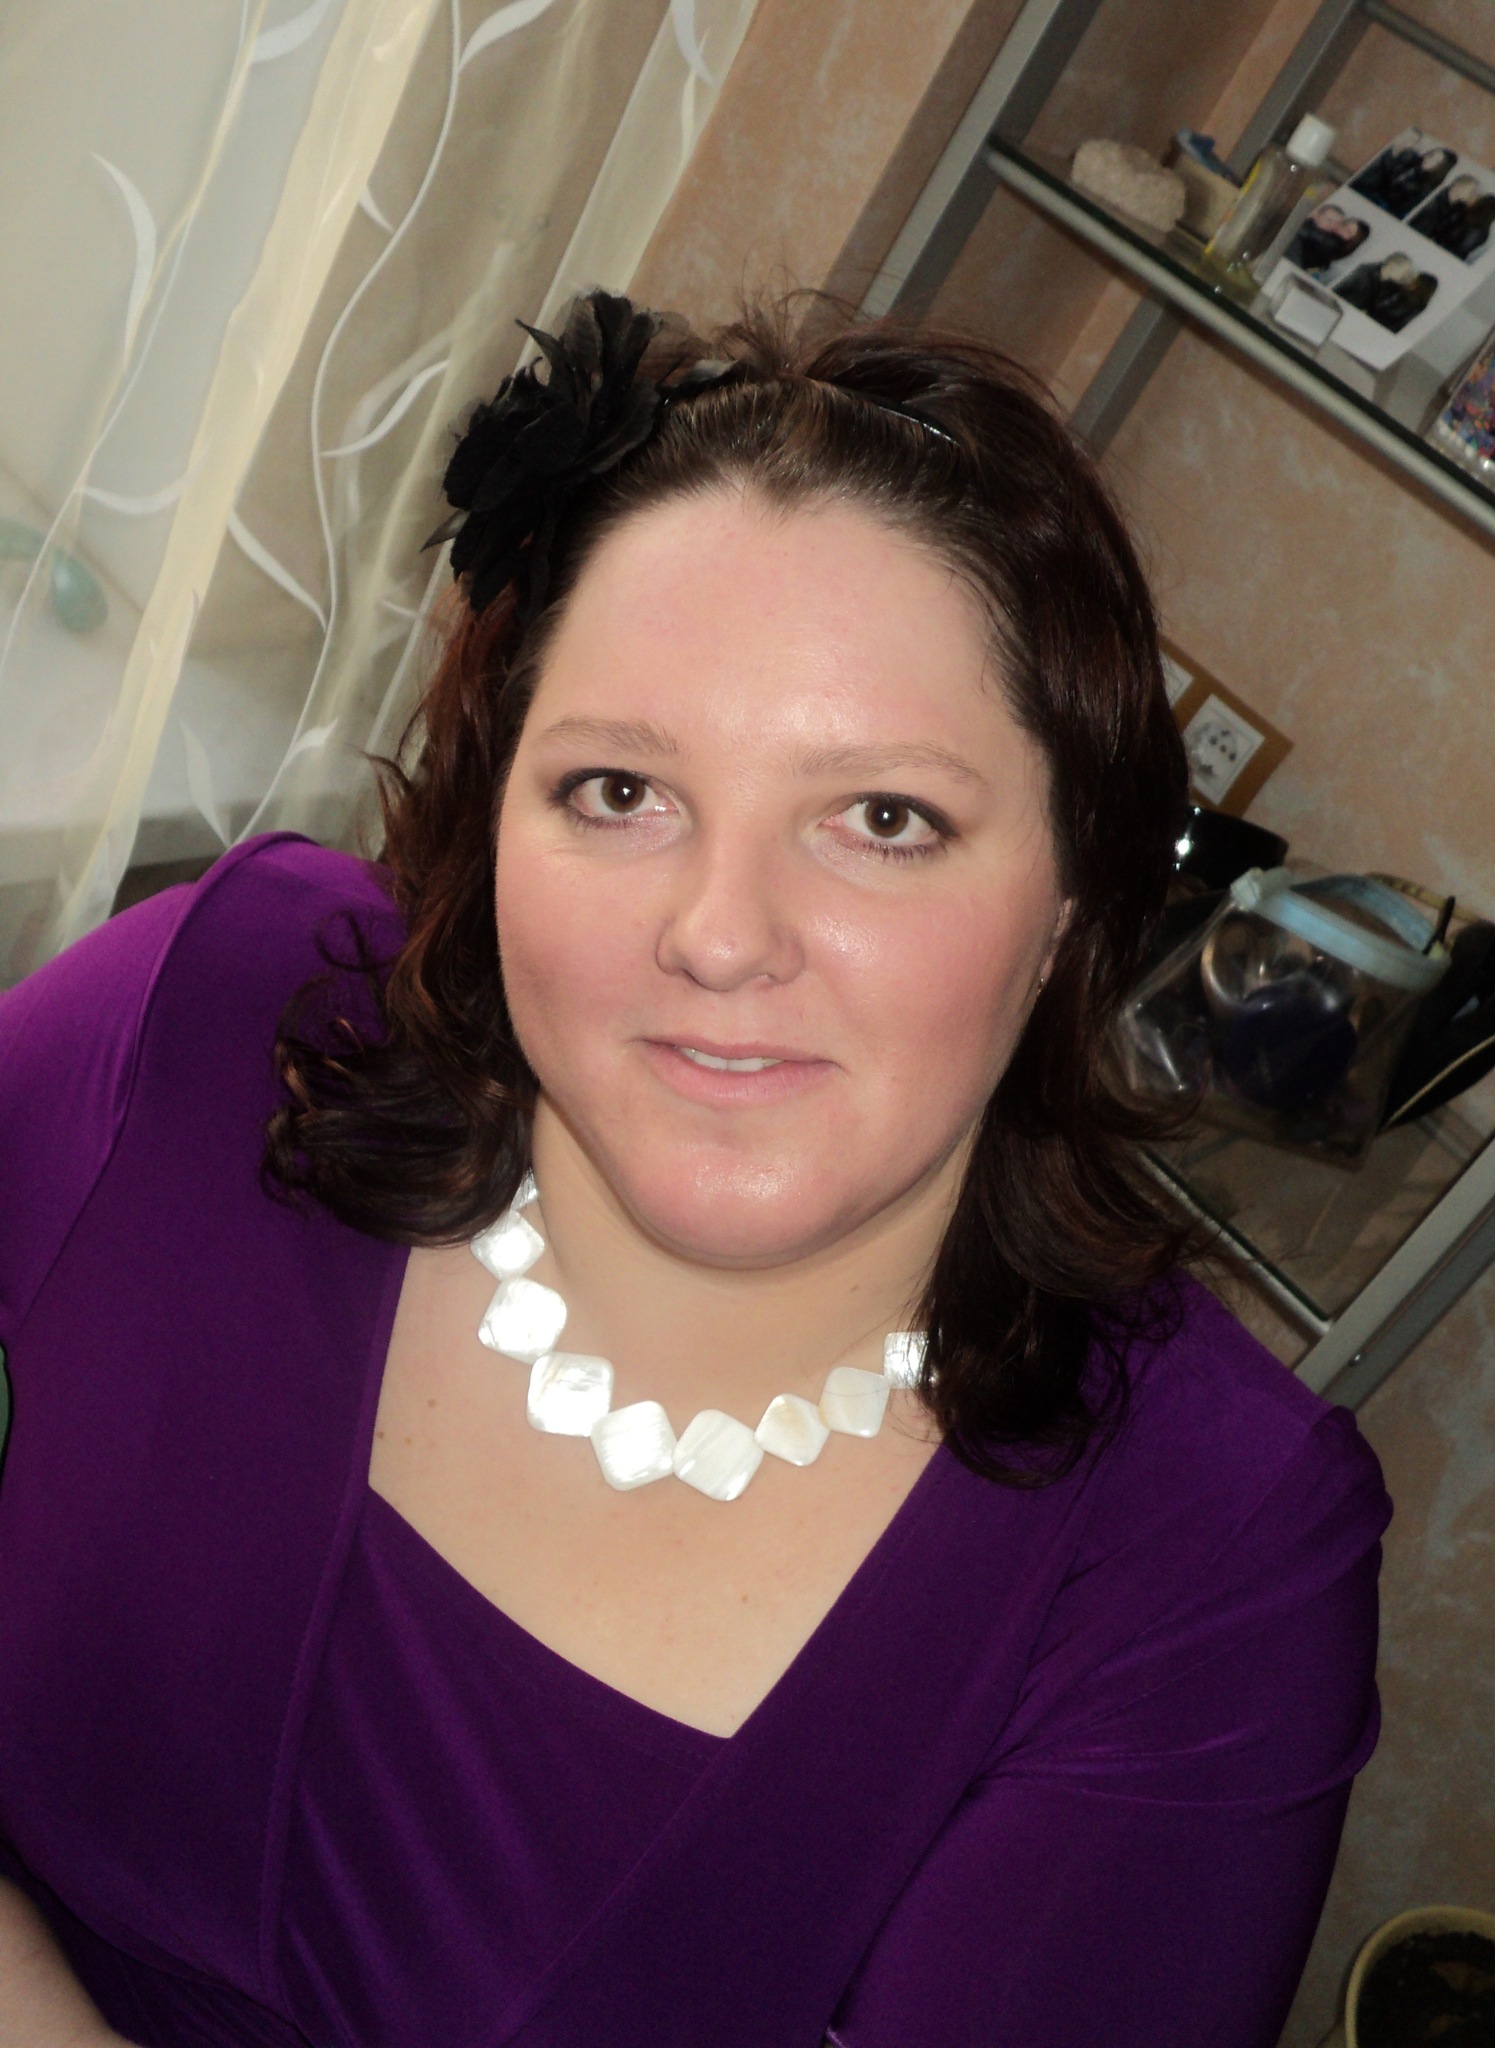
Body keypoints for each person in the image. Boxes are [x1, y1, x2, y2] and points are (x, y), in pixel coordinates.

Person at [0, 291, 1389, 2048]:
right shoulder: (217, 1019)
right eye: (617, 792)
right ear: (494, 810)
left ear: (1068, 907)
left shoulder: (1210, 1553)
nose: (721, 935)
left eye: (884, 819)